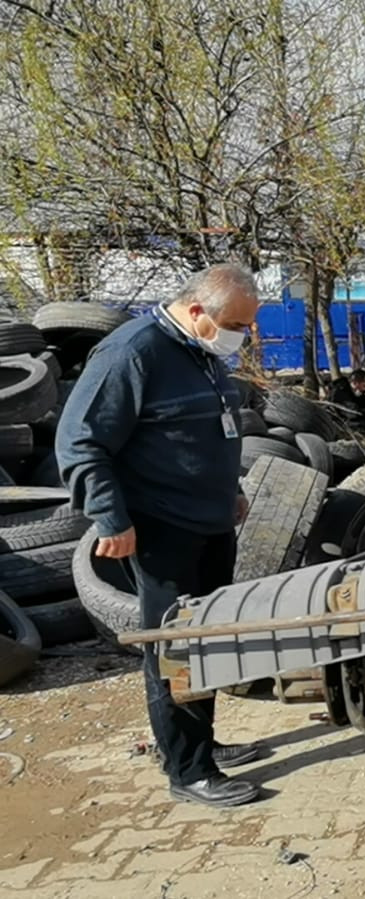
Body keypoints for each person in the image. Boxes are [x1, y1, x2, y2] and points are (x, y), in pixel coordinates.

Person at [56, 263, 266, 808]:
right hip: (161, 530)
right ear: (197, 311)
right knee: (173, 647)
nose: (242, 336)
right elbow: (80, 444)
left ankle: (203, 744)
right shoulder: (131, 354)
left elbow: (208, 432)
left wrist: (230, 491)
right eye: (237, 324)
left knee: (209, 638)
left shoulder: (200, 352)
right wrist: (111, 519)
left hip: (212, 520)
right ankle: (187, 769)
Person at [328, 367, 365, 431]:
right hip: (340, 423)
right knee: (363, 422)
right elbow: (352, 413)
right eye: (364, 386)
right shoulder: (340, 392)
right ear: (356, 383)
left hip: (348, 419)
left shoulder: (354, 391)